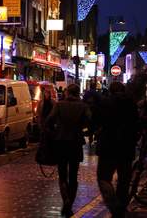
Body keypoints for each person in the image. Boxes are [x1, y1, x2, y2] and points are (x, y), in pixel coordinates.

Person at [45, 84, 91, 217]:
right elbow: (90, 121)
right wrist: (84, 130)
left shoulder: (59, 105)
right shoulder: (83, 106)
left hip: (61, 142)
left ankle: (65, 199)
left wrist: (54, 133)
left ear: (67, 92)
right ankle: (70, 202)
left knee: (62, 174)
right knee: (73, 175)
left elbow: (49, 121)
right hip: (76, 142)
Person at [94, 82, 138, 218]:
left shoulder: (105, 103)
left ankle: (115, 206)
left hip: (108, 146)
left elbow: (96, 121)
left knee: (103, 177)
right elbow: (136, 124)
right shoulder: (132, 104)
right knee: (124, 180)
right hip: (127, 147)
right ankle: (121, 208)